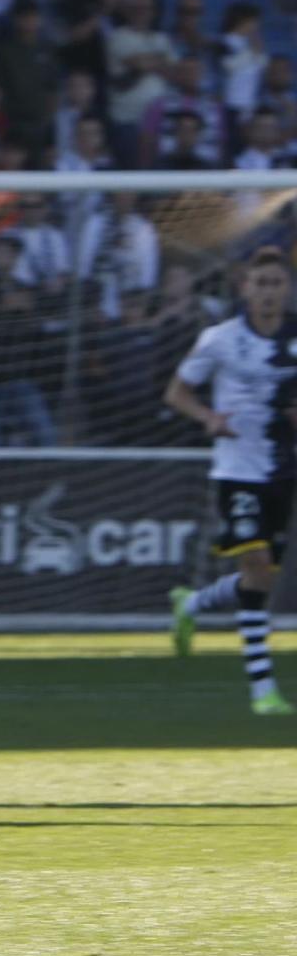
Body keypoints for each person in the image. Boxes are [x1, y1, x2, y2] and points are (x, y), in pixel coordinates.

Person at [164, 249, 297, 716]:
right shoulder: (219, 339)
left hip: (282, 471)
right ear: (245, 287)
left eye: (276, 283)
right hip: (236, 470)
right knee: (258, 570)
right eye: (260, 283)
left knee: (258, 575)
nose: (267, 292)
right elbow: (177, 392)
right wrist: (208, 417)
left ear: (287, 288)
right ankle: (263, 691)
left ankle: (192, 604)